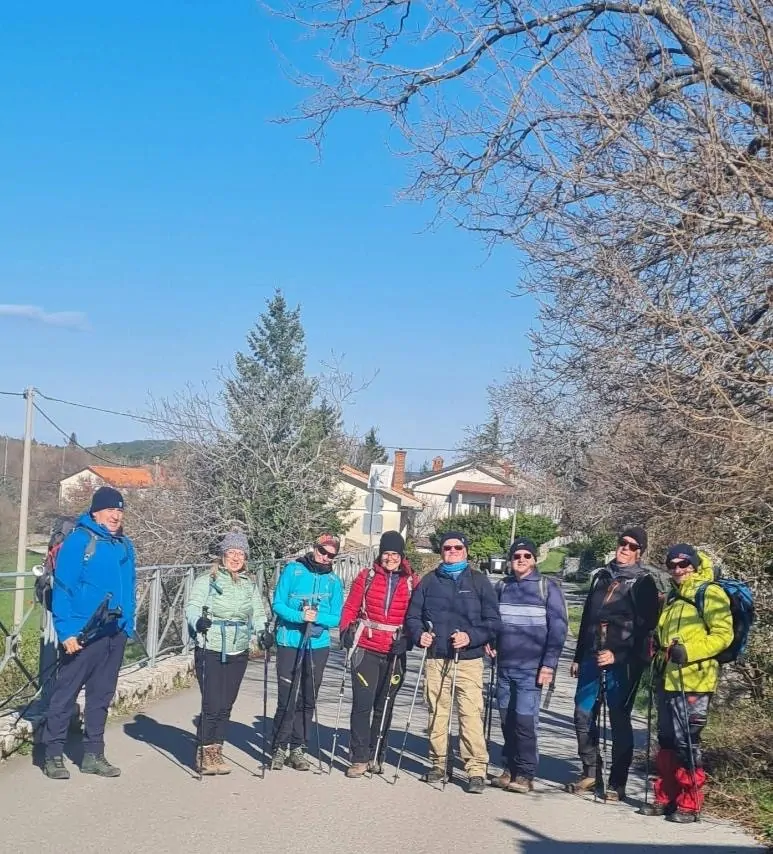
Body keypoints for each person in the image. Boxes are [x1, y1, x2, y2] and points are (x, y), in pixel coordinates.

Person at [41, 486, 136, 780]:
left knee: (101, 696)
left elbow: (130, 586)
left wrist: (128, 626)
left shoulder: (125, 545)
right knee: (65, 694)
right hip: (82, 633)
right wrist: (67, 632)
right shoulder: (80, 541)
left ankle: (93, 755)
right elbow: (64, 588)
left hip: (113, 632)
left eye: (119, 511)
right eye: (110, 510)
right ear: (96, 511)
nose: (115, 516)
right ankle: (52, 755)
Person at [405, 530, 501, 794]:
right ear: (441, 551)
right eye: (447, 548)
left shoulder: (479, 582)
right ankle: (438, 763)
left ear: (465, 551)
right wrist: (419, 634)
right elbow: (413, 616)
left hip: (468, 660)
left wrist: (471, 636)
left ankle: (476, 769)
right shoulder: (429, 581)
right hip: (437, 658)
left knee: (470, 714)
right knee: (437, 712)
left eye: (457, 548)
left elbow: (493, 623)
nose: (452, 552)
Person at [568, 526, 660, 801]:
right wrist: (577, 654)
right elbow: (588, 618)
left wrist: (618, 655)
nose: (625, 548)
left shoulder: (644, 583)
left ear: (639, 552)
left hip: (624, 662)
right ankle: (590, 771)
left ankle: (616, 782)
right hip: (591, 658)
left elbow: (646, 629)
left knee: (618, 719)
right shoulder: (602, 576)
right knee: (582, 715)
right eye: (623, 543)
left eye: (632, 546)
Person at [642, 544, 732, 822]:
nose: (678, 569)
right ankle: (666, 797)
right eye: (672, 565)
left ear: (694, 564)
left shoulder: (710, 592)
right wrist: (656, 644)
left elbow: (722, 635)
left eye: (684, 564)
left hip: (695, 681)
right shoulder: (672, 595)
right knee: (666, 740)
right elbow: (665, 634)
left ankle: (690, 804)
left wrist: (689, 651)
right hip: (668, 678)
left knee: (687, 743)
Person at [185, 531, 269, 775]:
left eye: (240, 553)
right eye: (231, 553)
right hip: (210, 645)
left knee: (227, 704)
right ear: (222, 555)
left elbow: (258, 611)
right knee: (212, 702)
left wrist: (263, 631)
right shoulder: (207, 580)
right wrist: (197, 622)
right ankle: (203, 750)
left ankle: (216, 751)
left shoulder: (249, 583)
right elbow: (191, 606)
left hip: (238, 647)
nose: (236, 557)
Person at [490, 537, 568, 793]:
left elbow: (558, 629)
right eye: (516, 556)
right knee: (506, 719)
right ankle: (509, 767)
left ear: (534, 559)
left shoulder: (547, 588)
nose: (521, 560)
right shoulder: (502, 586)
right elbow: (491, 619)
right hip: (504, 667)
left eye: (526, 556)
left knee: (524, 721)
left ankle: (525, 773)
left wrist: (549, 665)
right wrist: (490, 641)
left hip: (532, 669)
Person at [339, 531, 417, 778]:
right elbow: (351, 606)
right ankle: (359, 758)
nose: (390, 558)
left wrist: (408, 640)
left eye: (395, 553)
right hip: (366, 648)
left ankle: (376, 755)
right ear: (380, 554)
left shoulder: (412, 581)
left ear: (401, 555)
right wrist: (345, 630)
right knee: (363, 704)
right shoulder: (367, 576)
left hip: (394, 650)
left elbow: (415, 616)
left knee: (384, 705)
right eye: (386, 553)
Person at [270, 533, 344, 771]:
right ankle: (279, 747)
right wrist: (299, 616)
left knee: (308, 697)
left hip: (317, 644)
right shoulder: (293, 570)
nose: (325, 557)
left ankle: (298, 747)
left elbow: (336, 616)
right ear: (315, 548)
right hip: (289, 641)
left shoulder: (333, 581)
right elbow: (278, 603)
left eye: (331, 555)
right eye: (322, 551)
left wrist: (317, 617)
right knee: (287, 696)